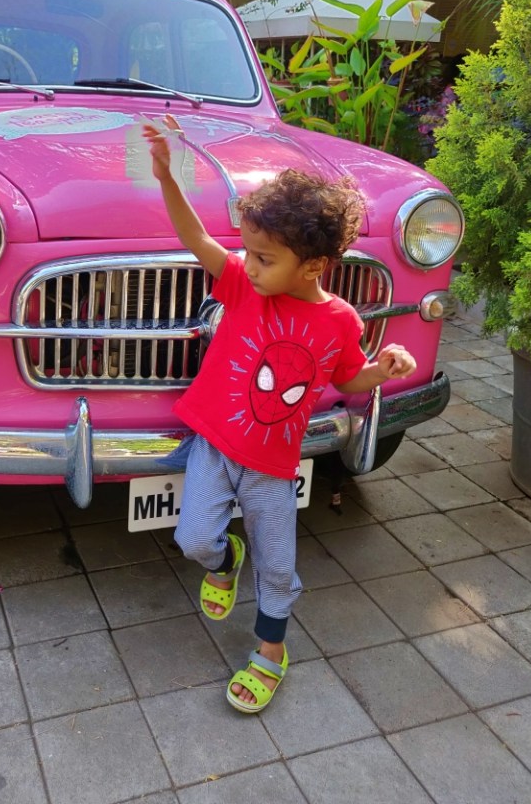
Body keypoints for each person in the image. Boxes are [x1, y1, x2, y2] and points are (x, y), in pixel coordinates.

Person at [143, 114, 417, 714]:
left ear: (313, 266)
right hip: (215, 444)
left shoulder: (340, 321)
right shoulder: (243, 284)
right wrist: (167, 177)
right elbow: (197, 241)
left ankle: (270, 653)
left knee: (279, 567)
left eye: (265, 257)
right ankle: (223, 562)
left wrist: (383, 368)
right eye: (249, 251)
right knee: (194, 539)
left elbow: (347, 377)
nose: (249, 263)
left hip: (272, 466)